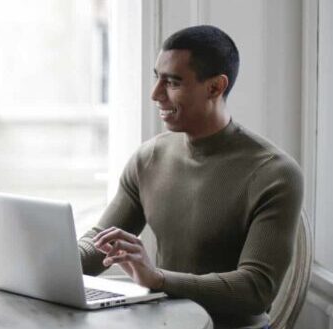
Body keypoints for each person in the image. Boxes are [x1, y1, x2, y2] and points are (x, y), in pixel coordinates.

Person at [78, 25, 302, 329]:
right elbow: (99, 242)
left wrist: (157, 279)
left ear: (214, 87)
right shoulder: (148, 158)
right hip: (166, 323)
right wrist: (45, 264)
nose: (155, 94)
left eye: (172, 82)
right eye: (157, 78)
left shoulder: (275, 173)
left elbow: (255, 289)